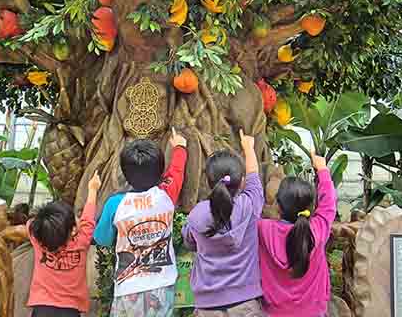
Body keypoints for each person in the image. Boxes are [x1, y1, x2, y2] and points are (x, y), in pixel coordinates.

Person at [93, 128, 188, 317]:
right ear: (159, 170)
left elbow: (102, 239)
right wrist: (179, 147)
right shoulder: (166, 195)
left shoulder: (115, 205)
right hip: (162, 286)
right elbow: (177, 170)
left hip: (128, 289)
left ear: (126, 173)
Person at [182, 130, 265, 316]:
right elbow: (254, 177)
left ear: (208, 182)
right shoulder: (249, 206)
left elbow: (189, 241)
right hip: (246, 304)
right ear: (242, 181)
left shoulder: (197, 215)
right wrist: (248, 148)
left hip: (207, 306)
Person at [258, 151, 337, 317]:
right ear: (310, 207)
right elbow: (329, 202)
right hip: (314, 312)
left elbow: (249, 204)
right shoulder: (318, 229)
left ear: (278, 205)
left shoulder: (263, 230)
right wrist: (322, 169)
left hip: (274, 312)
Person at [26, 171, 101, 317]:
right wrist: (93, 189)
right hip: (70, 311)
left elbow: (33, 222)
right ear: (73, 230)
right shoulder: (82, 240)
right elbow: (88, 220)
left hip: (42, 309)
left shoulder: (36, 236)